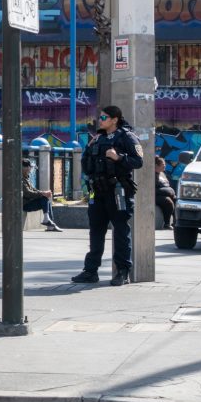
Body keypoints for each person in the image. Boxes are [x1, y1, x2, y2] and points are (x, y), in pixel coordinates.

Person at [71, 105, 144, 287]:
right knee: (96, 231)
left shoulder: (127, 137)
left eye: (104, 118)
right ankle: (90, 271)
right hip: (97, 190)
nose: (100, 120)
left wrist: (119, 157)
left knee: (120, 231)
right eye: (100, 117)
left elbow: (138, 161)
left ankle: (122, 272)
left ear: (114, 119)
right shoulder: (97, 139)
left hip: (117, 191)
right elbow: (87, 161)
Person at [21, 159, 62, 231]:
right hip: (24, 204)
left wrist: (44, 192)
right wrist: (43, 194)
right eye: (29, 167)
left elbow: (33, 189)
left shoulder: (26, 178)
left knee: (45, 198)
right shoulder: (20, 179)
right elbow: (28, 193)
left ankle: (49, 222)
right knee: (44, 198)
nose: (30, 170)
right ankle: (48, 222)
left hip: (28, 202)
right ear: (24, 168)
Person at [154, 156, 176, 230]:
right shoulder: (152, 175)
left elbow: (166, 184)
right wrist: (168, 192)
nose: (165, 166)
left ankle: (176, 221)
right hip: (155, 196)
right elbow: (154, 190)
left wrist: (170, 192)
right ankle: (167, 224)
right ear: (156, 165)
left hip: (165, 194)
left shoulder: (162, 174)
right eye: (163, 165)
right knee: (168, 201)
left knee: (176, 200)